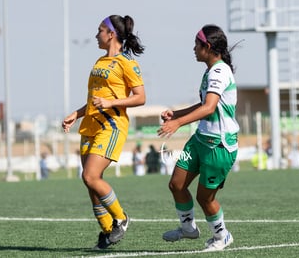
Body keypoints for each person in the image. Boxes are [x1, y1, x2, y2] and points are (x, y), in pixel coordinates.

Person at [62, 14, 145, 250]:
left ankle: (121, 218)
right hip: (89, 126)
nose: (96, 34)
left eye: (99, 30)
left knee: (90, 176)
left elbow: (140, 98)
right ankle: (108, 231)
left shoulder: (126, 63)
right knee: (91, 184)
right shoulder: (99, 62)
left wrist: (110, 104)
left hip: (111, 126)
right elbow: (94, 100)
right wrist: (76, 114)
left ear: (111, 34)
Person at [157, 24, 240, 252]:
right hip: (199, 140)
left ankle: (222, 236)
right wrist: (177, 113)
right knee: (176, 184)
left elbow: (209, 108)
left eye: (197, 44)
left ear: (208, 47)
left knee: (205, 198)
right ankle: (188, 228)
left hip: (218, 145)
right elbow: (205, 104)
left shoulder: (220, 71)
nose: (193, 49)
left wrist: (177, 123)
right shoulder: (210, 70)